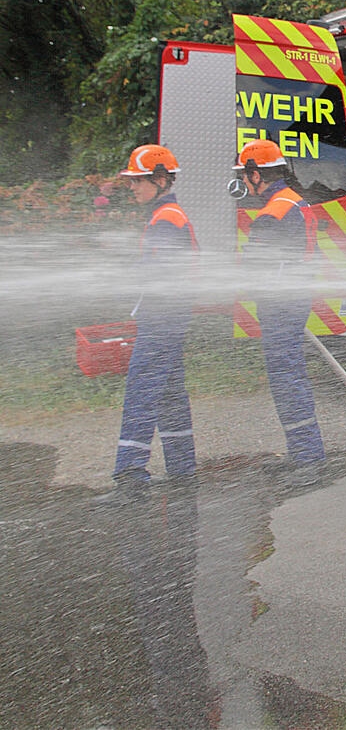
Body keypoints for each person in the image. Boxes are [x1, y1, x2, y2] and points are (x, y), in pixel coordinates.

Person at [97, 145, 199, 505]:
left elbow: (163, 274)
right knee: (170, 395)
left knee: (141, 392)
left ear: (160, 179)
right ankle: (183, 470)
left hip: (161, 319)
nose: (132, 187)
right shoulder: (167, 215)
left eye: (137, 181)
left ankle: (131, 478)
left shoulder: (167, 218)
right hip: (168, 317)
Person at [232, 139, 327, 487]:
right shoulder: (295, 202)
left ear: (256, 174)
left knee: (287, 380)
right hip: (293, 300)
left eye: (244, 175)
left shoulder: (272, 214)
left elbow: (257, 269)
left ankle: (308, 459)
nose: (243, 182)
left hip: (280, 307)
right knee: (291, 377)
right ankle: (303, 453)